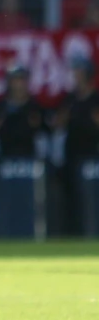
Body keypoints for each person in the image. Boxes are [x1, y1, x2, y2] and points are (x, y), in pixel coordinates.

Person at [55, 57, 99, 234]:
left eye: (79, 72)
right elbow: (57, 125)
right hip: (72, 156)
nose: (75, 76)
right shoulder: (69, 99)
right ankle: (73, 233)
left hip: (94, 155)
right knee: (73, 198)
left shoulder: (96, 99)